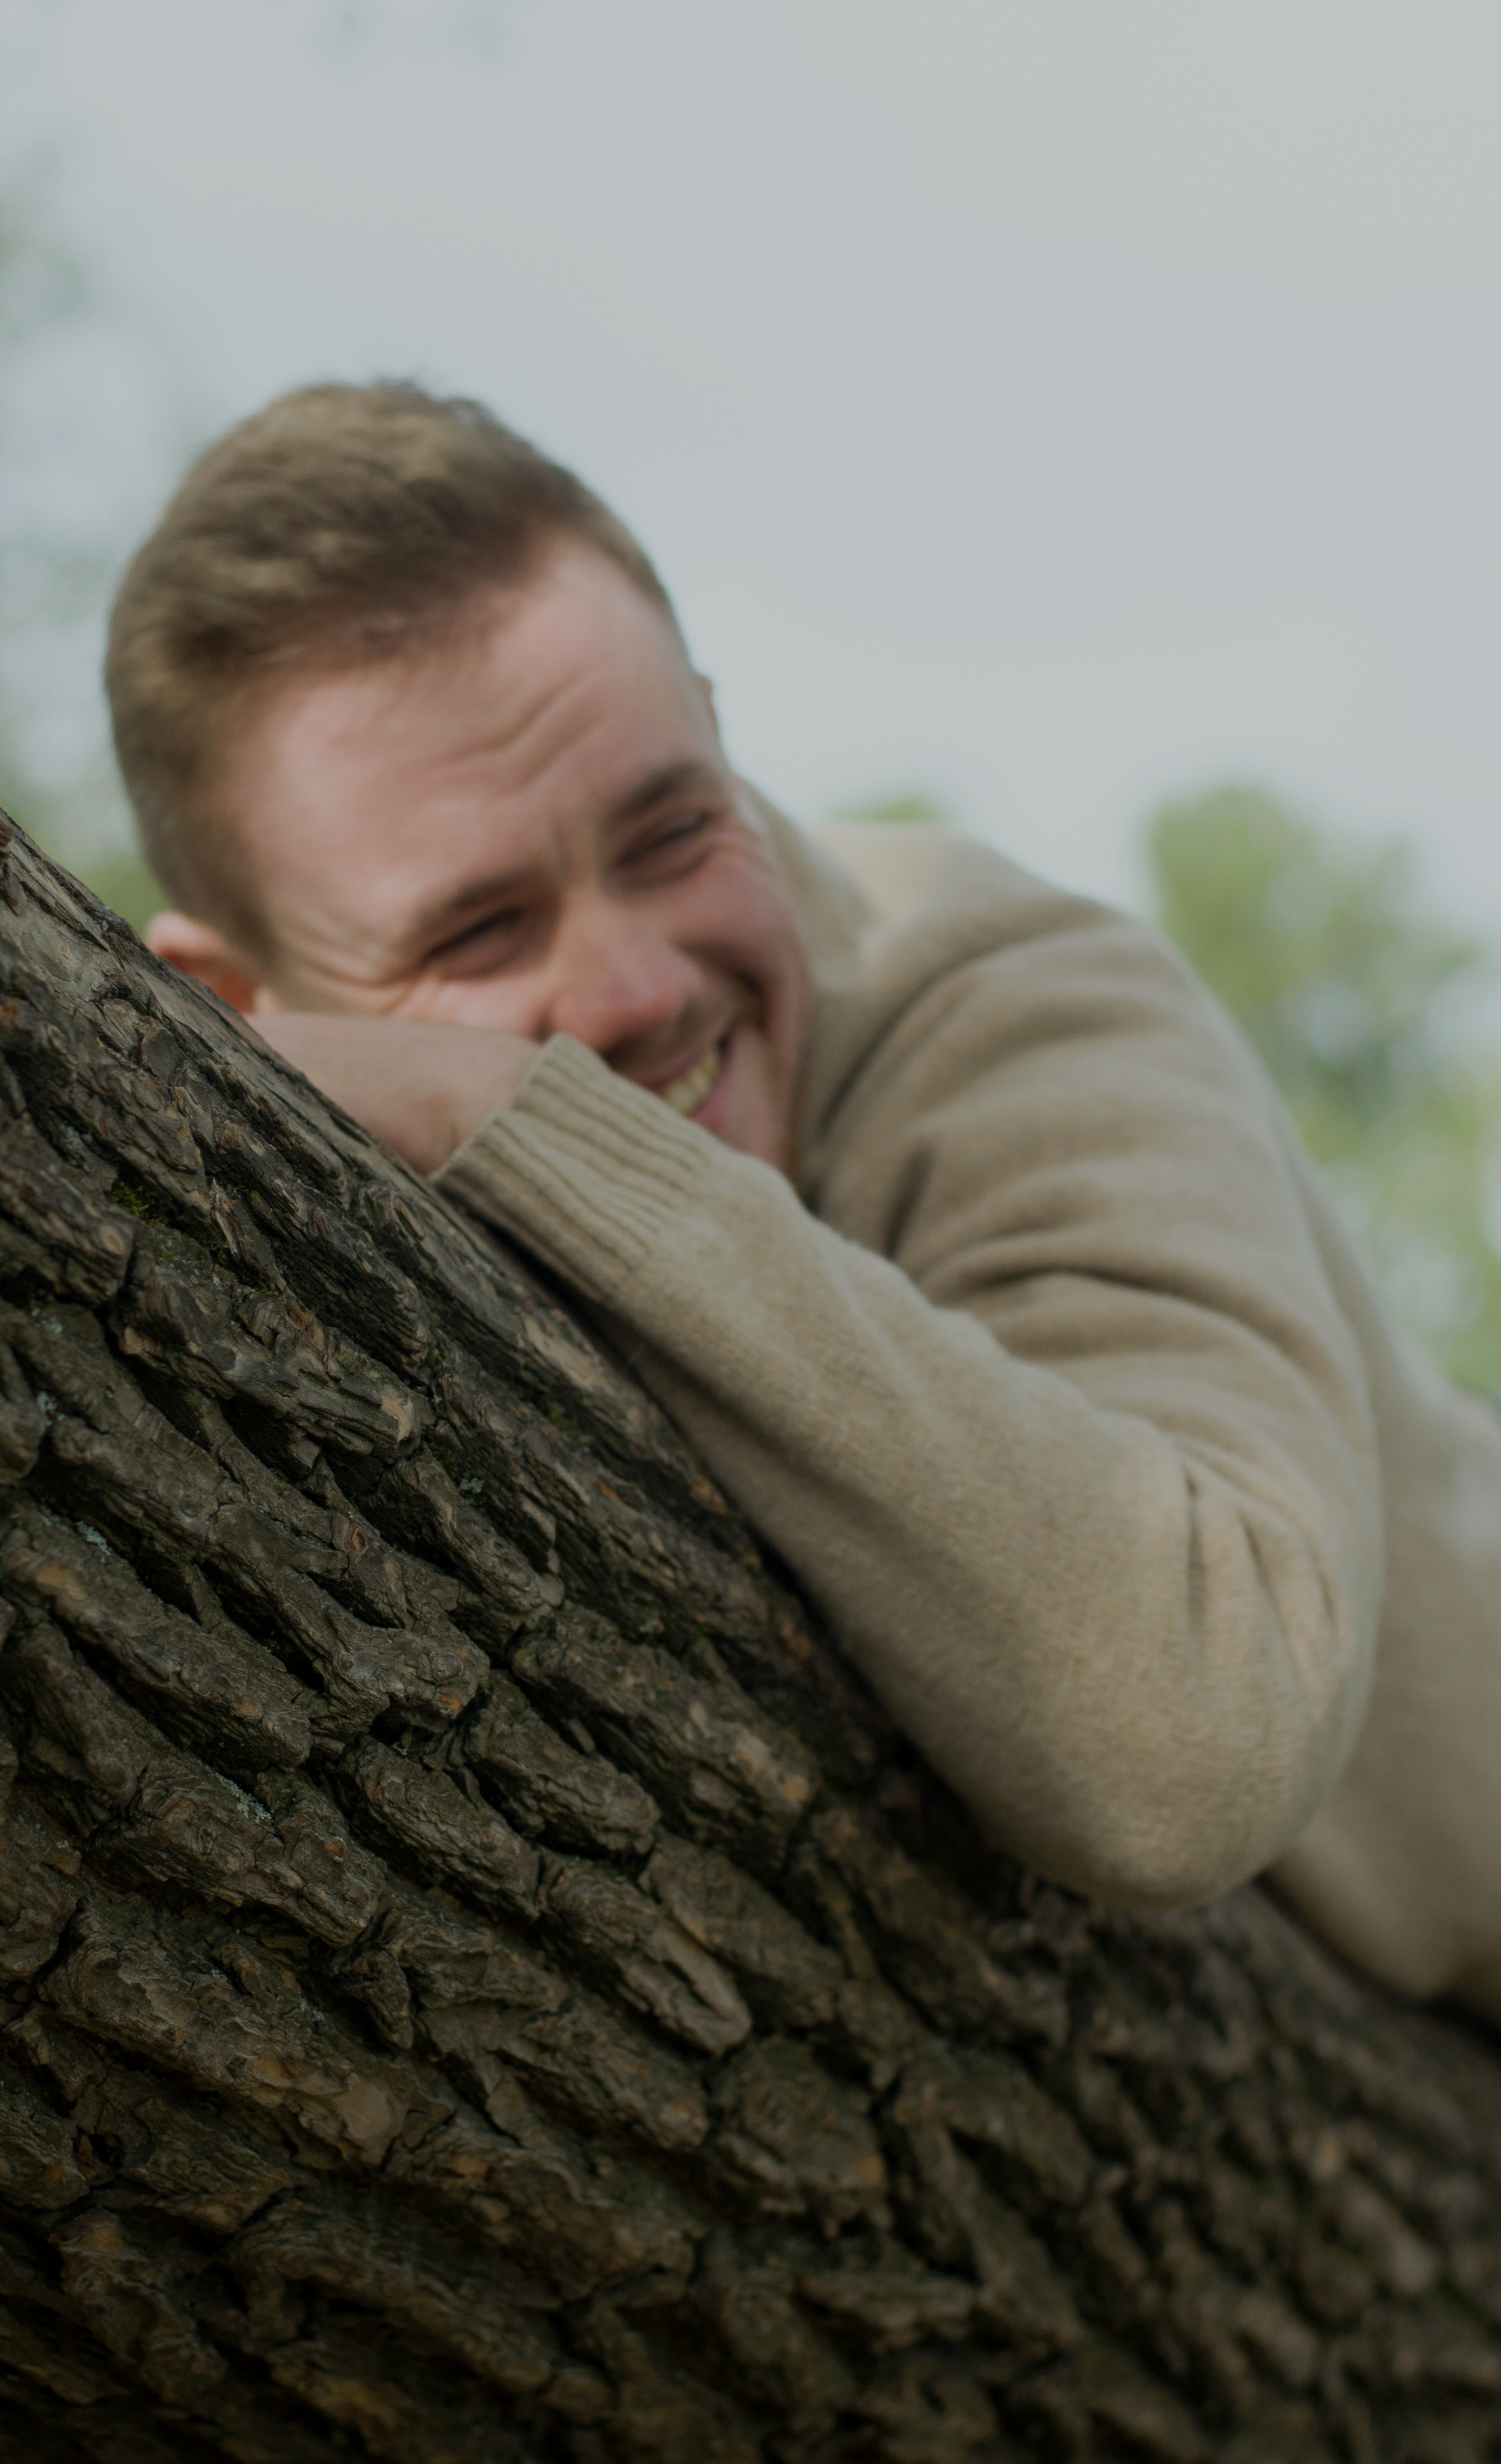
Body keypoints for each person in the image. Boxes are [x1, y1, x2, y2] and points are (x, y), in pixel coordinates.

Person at [107, 379, 1501, 2022]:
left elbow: (1196, 1735)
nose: (635, 986)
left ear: (714, 728)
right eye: (476, 931)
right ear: (237, 1003)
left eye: (672, 827)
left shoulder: (999, 990)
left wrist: (503, 1107)